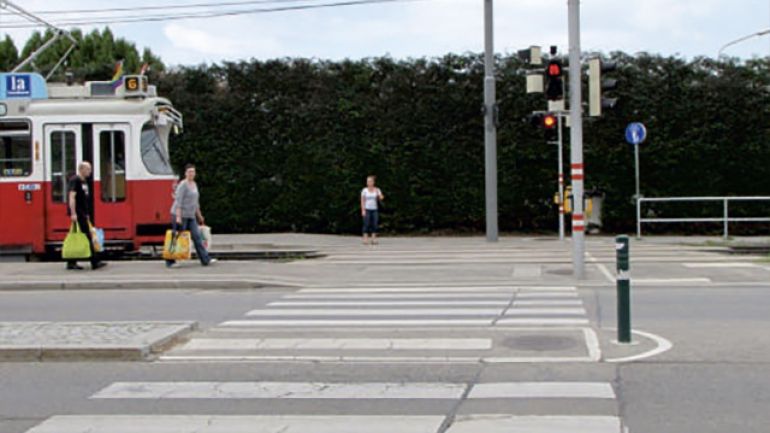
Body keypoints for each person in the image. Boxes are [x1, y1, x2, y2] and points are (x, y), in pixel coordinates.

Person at [166, 164, 217, 267]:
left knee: (197, 237)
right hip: (180, 214)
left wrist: (200, 215)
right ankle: (170, 261)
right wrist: (179, 217)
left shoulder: (194, 184)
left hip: (191, 216)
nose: (191, 174)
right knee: (177, 237)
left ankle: (205, 259)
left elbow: (195, 202)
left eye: (193, 171)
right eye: (189, 171)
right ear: (185, 173)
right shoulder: (183, 185)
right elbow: (178, 201)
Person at [66, 162, 106, 271]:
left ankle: (71, 262)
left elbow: (83, 199)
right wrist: (73, 213)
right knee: (88, 237)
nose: (90, 171)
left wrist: (87, 213)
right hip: (78, 214)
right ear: (82, 169)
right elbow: (72, 197)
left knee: (83, 236)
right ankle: (94, 262)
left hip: (83, 213)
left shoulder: (84, 182)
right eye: (88, 169)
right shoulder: (75, 180)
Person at [360, 175, 384, 245]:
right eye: (367, 181)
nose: (369, 182)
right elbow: (362, 200)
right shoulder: (364, 190)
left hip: (374, 209)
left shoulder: (377, 189)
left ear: (373, 182)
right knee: (366, 224)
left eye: (370, 181)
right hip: (367, 209)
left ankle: (373, 239)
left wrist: (379, 195)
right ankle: (365, 239)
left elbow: (381, 198)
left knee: (375, 224)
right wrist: (363, 210)